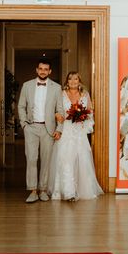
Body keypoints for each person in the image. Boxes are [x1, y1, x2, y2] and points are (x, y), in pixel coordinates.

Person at [48, 71, 103, 201]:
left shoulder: (85, 94)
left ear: (79, 81)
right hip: (66, 130)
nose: (73, 81)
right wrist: (57, 115)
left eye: (76, 79)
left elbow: (90, 113)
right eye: (70, 79)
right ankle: (68, 192)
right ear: (67, 81)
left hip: (79, 132)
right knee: (65, 160)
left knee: (82, 160)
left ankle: (82, 190)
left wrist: (83, 118)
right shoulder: (61, 94)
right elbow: (56, 110)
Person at [17, 58, 64, 203]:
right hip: (31, 127)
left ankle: (42, 190)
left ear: (49, 71)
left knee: (46, 160)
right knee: (31, 159)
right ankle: (32, 191)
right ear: (37, 70)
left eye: (46, 69)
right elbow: (21, 106)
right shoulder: (27, 86)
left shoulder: (56, 88)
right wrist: (24, 124)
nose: (43, 71)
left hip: (48, 129)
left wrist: (59, 129)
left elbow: (60, 110)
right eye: (40, 69)